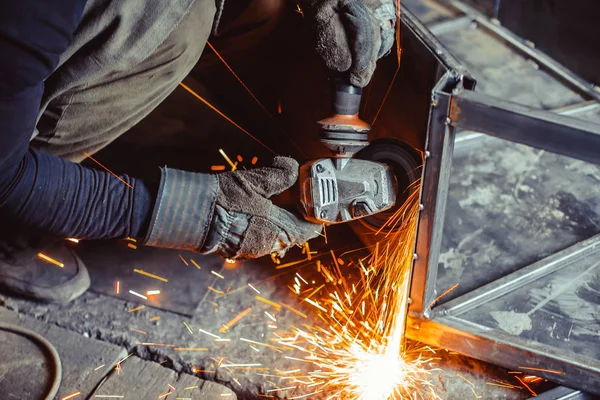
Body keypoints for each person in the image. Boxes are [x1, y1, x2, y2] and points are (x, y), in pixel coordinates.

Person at [0, 0, 395, 303]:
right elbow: (5, 176)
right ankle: (11, 235)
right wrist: (192, 214)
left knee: (266, 7)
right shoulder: (25, 24)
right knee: (178, 26)